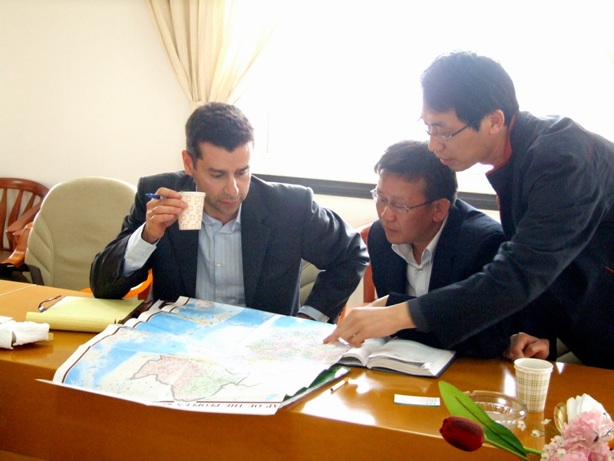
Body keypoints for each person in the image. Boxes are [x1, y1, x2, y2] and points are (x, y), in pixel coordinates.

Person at [326, 51, 614, 369]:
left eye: (444, 131)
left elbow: (519, 272)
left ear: (494, 121)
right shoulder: (522, 156)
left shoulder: (561, 162)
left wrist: (397, 315)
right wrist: (538, 331)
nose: (434, 145)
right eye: (429, 128)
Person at [90, 102, 368, 322]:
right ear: (189, 163)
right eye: (217, 174)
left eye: (242, 172)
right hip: (178, 343)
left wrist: (309, 318)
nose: (233, 189)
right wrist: (147, 236)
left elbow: (352, 253)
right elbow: (103, 287)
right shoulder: (160, 195)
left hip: (259, 349)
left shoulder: (289, 207)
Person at [366, 140, 509, 358]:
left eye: (399, 205)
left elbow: (484, 339)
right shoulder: (380, 236)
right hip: (401, 365)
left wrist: (394, 309)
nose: (386, 215)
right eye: (381, 199)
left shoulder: (483, 243)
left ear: (439, 209)